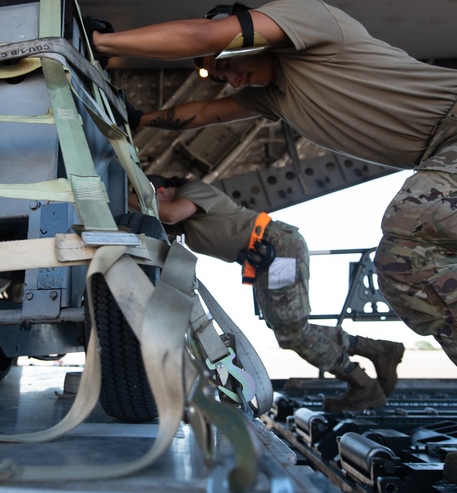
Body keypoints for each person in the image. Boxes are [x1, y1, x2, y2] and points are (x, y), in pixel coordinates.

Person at [93, 0, 457, 493]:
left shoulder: (312, 23)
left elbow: (202, 37)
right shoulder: (274, 99)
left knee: (412, 255)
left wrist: (98, 44)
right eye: (221, 74)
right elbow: (204, 113)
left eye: (230, 60)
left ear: (254, 35)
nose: (227, 76)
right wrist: (137, 118)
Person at [136, 174, 404, 412]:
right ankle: (377, 350)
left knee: (291, 332)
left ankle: (362, 384)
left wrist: (128, 198)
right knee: (290, 329)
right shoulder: (183, 223)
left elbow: (168, 214)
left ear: (160, 191)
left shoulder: (191, 190)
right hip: (264, 256)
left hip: (276, 246)